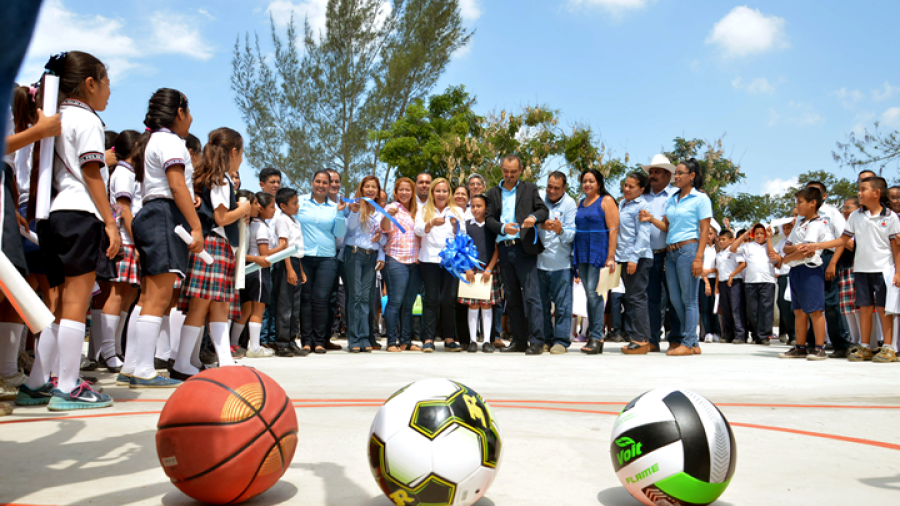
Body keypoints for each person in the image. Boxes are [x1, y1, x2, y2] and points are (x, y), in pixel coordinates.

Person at [15, 52, 121, 410]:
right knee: (76, 303)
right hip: (79, 214)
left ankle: (37, 382)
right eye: (106, 81)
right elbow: (92, 172)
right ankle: (69, 386)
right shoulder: (88, 120)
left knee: (58, 305)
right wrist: (110, 222)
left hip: (52, 216)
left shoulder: (55, 117)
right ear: (90, 84)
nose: (109, 90)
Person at [174, 127, 251, 375]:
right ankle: (182, 362)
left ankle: (224, 359)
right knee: (202, 305)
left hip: (216, 245)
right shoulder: (221, 179)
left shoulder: (212, 177)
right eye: (241, 153)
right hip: (214, 244)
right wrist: (243, 208)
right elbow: (221, 217)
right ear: (234, 151)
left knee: (219, 305)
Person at [809, 177, 899, 363]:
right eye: (859, 189)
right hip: (861, 270)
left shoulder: (890, 217)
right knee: (865, 308)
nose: (859, 193)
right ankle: (865, 346)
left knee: (884, 309)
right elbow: (843, 240)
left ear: (876, 193)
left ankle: (889, 347)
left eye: (864, 189)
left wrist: (898, 271)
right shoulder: (856, 216)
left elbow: (896, 248)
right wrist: (818, 245)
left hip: (884, 270)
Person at [640, 158, 712, 356]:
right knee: (675, 300)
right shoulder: (672, 198)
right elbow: (667, 227)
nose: (677, 177)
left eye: (681, 173)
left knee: (688, 300)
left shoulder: (700, 199)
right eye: (676, 173)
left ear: (692, 176)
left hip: (689, 250)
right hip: (671, 253)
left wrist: (699, 258)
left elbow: (705, 230)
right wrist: (651, 219)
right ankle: (693, 343)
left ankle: (688, 342)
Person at [485, 155, 549, 355]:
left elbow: (543, 210)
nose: (510, 175)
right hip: (504, 249)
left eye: (513, 172)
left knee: (532, 296)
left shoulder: (530, 189)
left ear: (520, 170)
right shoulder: (493, 192)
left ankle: (537, 341)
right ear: (501, 170)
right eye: (506, 171)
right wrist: (503, 227)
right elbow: (488, 219)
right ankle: (519, 340)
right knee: (511, 297)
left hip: (524, 248)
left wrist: (532, 217)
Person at [96, 130, 142, 373]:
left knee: (126, 295)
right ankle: (108, 351)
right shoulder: (123, 173)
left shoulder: (129, 173)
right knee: (116, 294)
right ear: (135, 147)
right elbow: (124, 209)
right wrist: (136, 240)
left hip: (128, 239)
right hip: (124, 239)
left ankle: (115, 348)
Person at [778, 187, 834, 360]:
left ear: (813, 203)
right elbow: (787, 247)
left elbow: (808, 251)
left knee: (815, 310)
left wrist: (787, 258)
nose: (797, 206)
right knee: (798, 310)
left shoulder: (817, 224)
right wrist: (792, 252)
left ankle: (819, 347)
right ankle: (800, 346)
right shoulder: (799, 223)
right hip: (796, 271)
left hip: (810, 270)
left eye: (800, 202)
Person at [296, 171, 347, 354]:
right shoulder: (300, 202)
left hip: (327, 258)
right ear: (312, 183)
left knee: (322, 300)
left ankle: (319, 341)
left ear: (329, 186)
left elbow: (340, 233)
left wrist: (340, 213)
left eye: (325, 182)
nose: (321, 185)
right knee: (306, 299)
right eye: (318, 181)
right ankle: (306, 341)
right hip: (304, 257)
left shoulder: (334, 207)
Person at [415, 178, 465, 352]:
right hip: (429, 259)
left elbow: (463, 235)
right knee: (431, 299)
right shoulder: (424, 209)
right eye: (438, 191)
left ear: (449, 193)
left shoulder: (457, 210)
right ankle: (428, 339)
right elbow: (418, 229)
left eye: (444, 191)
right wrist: (430, 223)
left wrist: (456, 226)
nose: (441, 194)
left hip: (450, 261)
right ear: (432, 192)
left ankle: (450, 339)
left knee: (448, 300)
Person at [574, 169, 619, 355]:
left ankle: (597, 336)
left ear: (599, 183)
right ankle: (594, 336)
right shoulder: (581, 203)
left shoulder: (606, 201)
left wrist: (610, 256)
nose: (587, 184)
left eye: (591, 181)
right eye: (584, 181)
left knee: (595, 294)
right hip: (582, 252)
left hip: (598, 252)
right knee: (588, 295)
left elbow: (614, 229)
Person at [805, 181, 852, 358]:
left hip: (827, 257)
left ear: (824, 196)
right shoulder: (805, 215)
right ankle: (813, 342)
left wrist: (832, 263)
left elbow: (843, 239)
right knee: (812, 303)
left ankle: (840, 344)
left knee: (831, 303)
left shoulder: (832, 213)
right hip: (809, 259)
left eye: (816, 192)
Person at [344, 176, 389, 353]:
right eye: (367, 187)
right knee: (355, 297)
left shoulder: (380, 211)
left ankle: (364, 337)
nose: (370, 190)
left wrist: (380, 238)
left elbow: (385, 237)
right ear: (361, 189)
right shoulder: (355, 206)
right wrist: (355, 211)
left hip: (371, 256)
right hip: (354, 254)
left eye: (374, 187)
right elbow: (350, 229)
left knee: (366, 298)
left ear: (378, 191)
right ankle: (354, 339)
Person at [641, 154, 681, 352]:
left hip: (670, 254)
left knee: (674, 299)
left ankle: (676, 338)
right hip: (648, 255)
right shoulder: (642, 196)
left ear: (668, 175)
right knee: (652, 300)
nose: (653, 176)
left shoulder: (676, 195)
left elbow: (673, 225)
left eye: (657, 172)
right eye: (651, 172)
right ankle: (652, 339)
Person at [233, 191, 281, 358]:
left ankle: (234, 343)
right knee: (258, 309)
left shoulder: (249, 225)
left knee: (245, 309)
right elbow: (264, 253)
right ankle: (254, 347)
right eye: (271, 207)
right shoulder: (260, 226)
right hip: (258, 270)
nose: (274, 210)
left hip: (246, 270)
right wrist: (283, 249)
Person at [537, 171, 577, 354]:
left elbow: (571, 235)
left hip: (561, 264)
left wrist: (560, 230)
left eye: (556, 188)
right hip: (539, 263)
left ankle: (561, 341)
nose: (551, 191)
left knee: (563, 306)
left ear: (564, 188)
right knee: (542, 305)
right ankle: (545, 339)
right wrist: (540, 224)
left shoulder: (569, 204)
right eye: (549, 186)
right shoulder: (538, 198)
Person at [383, 177, 421, 352]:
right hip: (396, 259)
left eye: (408, 190)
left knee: (409, 303)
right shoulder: (391, 208)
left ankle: (406, 340)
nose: (404, 193)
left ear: (412, 192)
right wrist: (388, 216)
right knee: (395, 302)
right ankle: (391, 341)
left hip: (415, 261)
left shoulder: (417, 210)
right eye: (401, 190)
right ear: (396, 192)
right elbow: (384, 229)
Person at [617, 172, 654, 354]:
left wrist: (634, 258)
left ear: (641, 189)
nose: (627, 189)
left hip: (638, 258)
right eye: (625, 185)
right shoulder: (621, 204)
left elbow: (643, 235)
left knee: (638, 297)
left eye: (631, 186)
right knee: (631, 298)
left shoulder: (643, 206)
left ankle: (641, 339)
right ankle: (636, 336)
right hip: (623, 257)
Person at [458, 194, 500, 352]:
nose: (475, 209)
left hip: (488, 270)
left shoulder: (492, 226)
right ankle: (473, 340)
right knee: (473, 305)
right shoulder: (467, 225)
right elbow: (460, 248)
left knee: (487, 305)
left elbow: (496, 249)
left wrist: (489, 268)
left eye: (479, 206)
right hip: (471, 270)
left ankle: (488, 341)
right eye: (473, 206)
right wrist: (467, 268)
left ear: (486, 208)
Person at [271, 188, 307, 356]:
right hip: (285, 263)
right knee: (285, 306)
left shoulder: (295, 221)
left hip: (295, 262)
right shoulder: (282, 220)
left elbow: (297, 248)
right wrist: (290, 269)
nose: (297, 206)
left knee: (295, 307)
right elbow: (283, 247)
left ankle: (292, 341)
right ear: (283, 206)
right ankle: (282, 343)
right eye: (294, 203)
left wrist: (300, 270)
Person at [729, 224, 779, 345]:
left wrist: (770, 239)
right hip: (751, 282)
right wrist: (744, 236)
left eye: (762, 233)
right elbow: (733, 248)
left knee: (766, 310)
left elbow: (774, 256)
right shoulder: (748, 246)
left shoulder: (771, 246)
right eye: (756, 233)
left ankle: (765, 336)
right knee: (753, 310)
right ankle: (756, 335)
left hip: (767, 281)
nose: (759, 236)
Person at [258, 167, 282, 349]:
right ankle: (261, 338)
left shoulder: (281, 208)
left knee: (275, 301)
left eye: (278, 182)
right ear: (262, 184)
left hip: (279, 260)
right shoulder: (256, 205)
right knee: (262, 303)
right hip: (260, 261)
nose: (276, 185)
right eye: (272, 182)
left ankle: (272, 337)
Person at [714, 230, 746, 344]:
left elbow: (743, 264)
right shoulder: (718, 254)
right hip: (723, 283)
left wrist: (732, 274)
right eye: (720, 239)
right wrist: (716, 287)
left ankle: (740, 334)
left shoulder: (734, 251)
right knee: (725, 309)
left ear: (731, 240)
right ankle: (728, 334)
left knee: (736, 309)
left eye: (724, 239)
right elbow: (718, 271)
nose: (721, 242)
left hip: (734, 282)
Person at [838, 198, 861, 344]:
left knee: (858, 306)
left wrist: (842, 238)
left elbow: (854, 247)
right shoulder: (843, 227)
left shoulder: (859, 225)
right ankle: (854, 338)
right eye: (844, 208)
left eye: (849, 207)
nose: (845, 211)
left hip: (857, 266)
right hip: (844, 267)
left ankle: (864, 339)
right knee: (847, 307)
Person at [773, 220, 796, 345]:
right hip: (783, 275)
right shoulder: (781, 242)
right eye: (785, 228)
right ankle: (791, 334)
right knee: (782, 304)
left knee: (796, 306)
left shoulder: (799, 239)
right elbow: (773, 255)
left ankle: (797, 336)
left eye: (789, 228)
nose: (787, 231)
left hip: (795, 273)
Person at [699, 226, 720, 342]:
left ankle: (716, 331)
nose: (708, 236)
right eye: (706, 233)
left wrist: (711, 271)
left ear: (715, 235)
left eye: (711, 233)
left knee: (714, 307)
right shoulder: (701, 248)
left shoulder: (718, 249)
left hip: (715, 280)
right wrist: (706, 282)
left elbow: (720, 267)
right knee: (705, 307)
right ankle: (707, 332)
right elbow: (699, 266)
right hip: (703, 280)